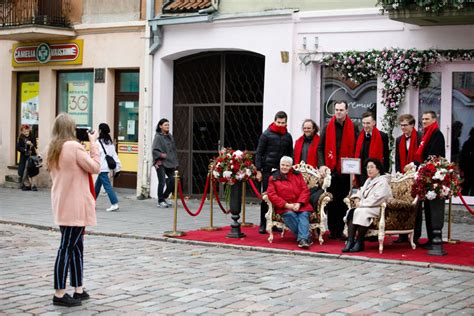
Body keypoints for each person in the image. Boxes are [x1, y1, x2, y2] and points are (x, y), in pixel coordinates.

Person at [46, 113, 100, 307]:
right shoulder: (73, 147)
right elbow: (95, 167)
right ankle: (59, 293)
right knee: (67, 247)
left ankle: (78, 288)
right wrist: (93, 143)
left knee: (76, 247)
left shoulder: (53, 147)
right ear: (70, 128)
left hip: (62, 203)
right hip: (74, 205)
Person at [317, 100, 358, 239]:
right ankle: (333, 230)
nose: (338, 112)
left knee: (344, 201)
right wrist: (322, 165)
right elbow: (320, 148)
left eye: (341, 110)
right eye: (336, 110)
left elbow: (357, 150)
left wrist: (355, 171)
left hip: (347, 171)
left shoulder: (354, 127)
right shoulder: (327, 127)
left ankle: (344, 230)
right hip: (332, 170)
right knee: (332, 202)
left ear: (347, 111)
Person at [342, 158, 392, 253]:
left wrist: (361, 204)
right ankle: (350, 241)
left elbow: (377, 198)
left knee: (361, 212)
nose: (369, 169)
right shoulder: (369, 180)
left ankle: (360, 242)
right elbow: (361, 191)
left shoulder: (383, 182)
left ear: (378, 169)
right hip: (367, 207)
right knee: (353, 211)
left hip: (378, 208)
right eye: (368, 167)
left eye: (372, 167)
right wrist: (357, 198)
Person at [255, 111, 293, 234]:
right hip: (267, 170)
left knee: (279, 197)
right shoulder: (266, 135)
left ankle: (275, 222)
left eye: (283, 123)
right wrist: (258, 170)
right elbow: (259, 153)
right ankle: (263, 223)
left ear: (286, 123)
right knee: (266, 197)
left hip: (281, 172)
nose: (281, 125)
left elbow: (290, 155)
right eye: (279, 122)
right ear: (274, 121)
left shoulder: (288, 136)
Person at [414, 110, 446, 250]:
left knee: (433, 209)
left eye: (427, 119)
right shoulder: (426, 134)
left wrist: (420, 165)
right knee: (427, 208)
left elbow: (434, 155)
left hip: (433, 177)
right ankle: (431, 238)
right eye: (423, 119)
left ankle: (435, 238)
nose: (424, 121)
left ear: (434, 120)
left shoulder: (437, 134)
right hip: (426, 176)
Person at [267, 156, 314, 248]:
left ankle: (302, 239)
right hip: (285, 207)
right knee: (290, 215)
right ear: (279, 165)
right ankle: (305, 238)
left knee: (303, 215)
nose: (284, 167)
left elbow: (305, 190)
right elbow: (272, 195)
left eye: (287, 165)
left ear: (291, 166)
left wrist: (299, 203)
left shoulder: (297, 175)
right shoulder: (273, 177)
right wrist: (287, 205)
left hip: (301, 205)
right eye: (282, 165)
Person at [394, 114, 422, 243]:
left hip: (416, 177)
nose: (403, 128)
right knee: (402, 206)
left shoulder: (420, 137)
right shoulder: (399, 139)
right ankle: (402, 235)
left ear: (412, 125)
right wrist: (400, 175)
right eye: (401, 125)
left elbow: (422, 157)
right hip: (403, 177)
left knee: (415, 206)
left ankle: (415, 235)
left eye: (405, 125)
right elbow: (398, 159)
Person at [354, 111, 389, 186]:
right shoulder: (359, 136)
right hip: (362, 175)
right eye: (363, 123)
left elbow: (386, 157)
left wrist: (385, 174)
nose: (365, 126)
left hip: (377, 175)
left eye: (368, 123)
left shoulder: (382, 136)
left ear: (374, 123)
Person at [152, 118, 179, 208]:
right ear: (160, 126)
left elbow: (173, 150)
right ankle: (160, 201)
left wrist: (175, 162)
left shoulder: (170, 136)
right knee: (162, 182)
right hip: (160, 163)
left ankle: (164, 197)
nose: (167, 126)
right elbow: (154, 150)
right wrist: (161, 155)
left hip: (170, 162)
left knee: (173, 180)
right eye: (165, 125)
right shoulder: (158, 137)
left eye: (168, 125)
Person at [95, 123, 121, 212]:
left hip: (101, 167)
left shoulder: (98, 142)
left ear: (100, 130)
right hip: (106, 168)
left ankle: (114, 203)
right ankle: (91, 202)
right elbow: (115, 156)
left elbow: (94, 154)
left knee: (107, 186)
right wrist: (118, 167)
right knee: (97, 186)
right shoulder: (110, 143)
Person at [16, 124, 38, 191]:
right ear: (22, 131)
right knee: (21, 171)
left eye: (27, 131)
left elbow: (35, 145)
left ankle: (34, 185)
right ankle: (27, 184)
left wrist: (31, 144)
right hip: (24, 156)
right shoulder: (20, 138)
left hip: (32, 156)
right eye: (25, 132)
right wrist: (24, 149)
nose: (26, 133)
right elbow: (18, 147)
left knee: (32, 170)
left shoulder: (32, 137)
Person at [460, 128, 474, 196]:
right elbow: (463, 158)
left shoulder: (467, 143)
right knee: (466, 187)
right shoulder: (468, 144)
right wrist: (462, 169)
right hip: (468, 170)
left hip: (467, 170)